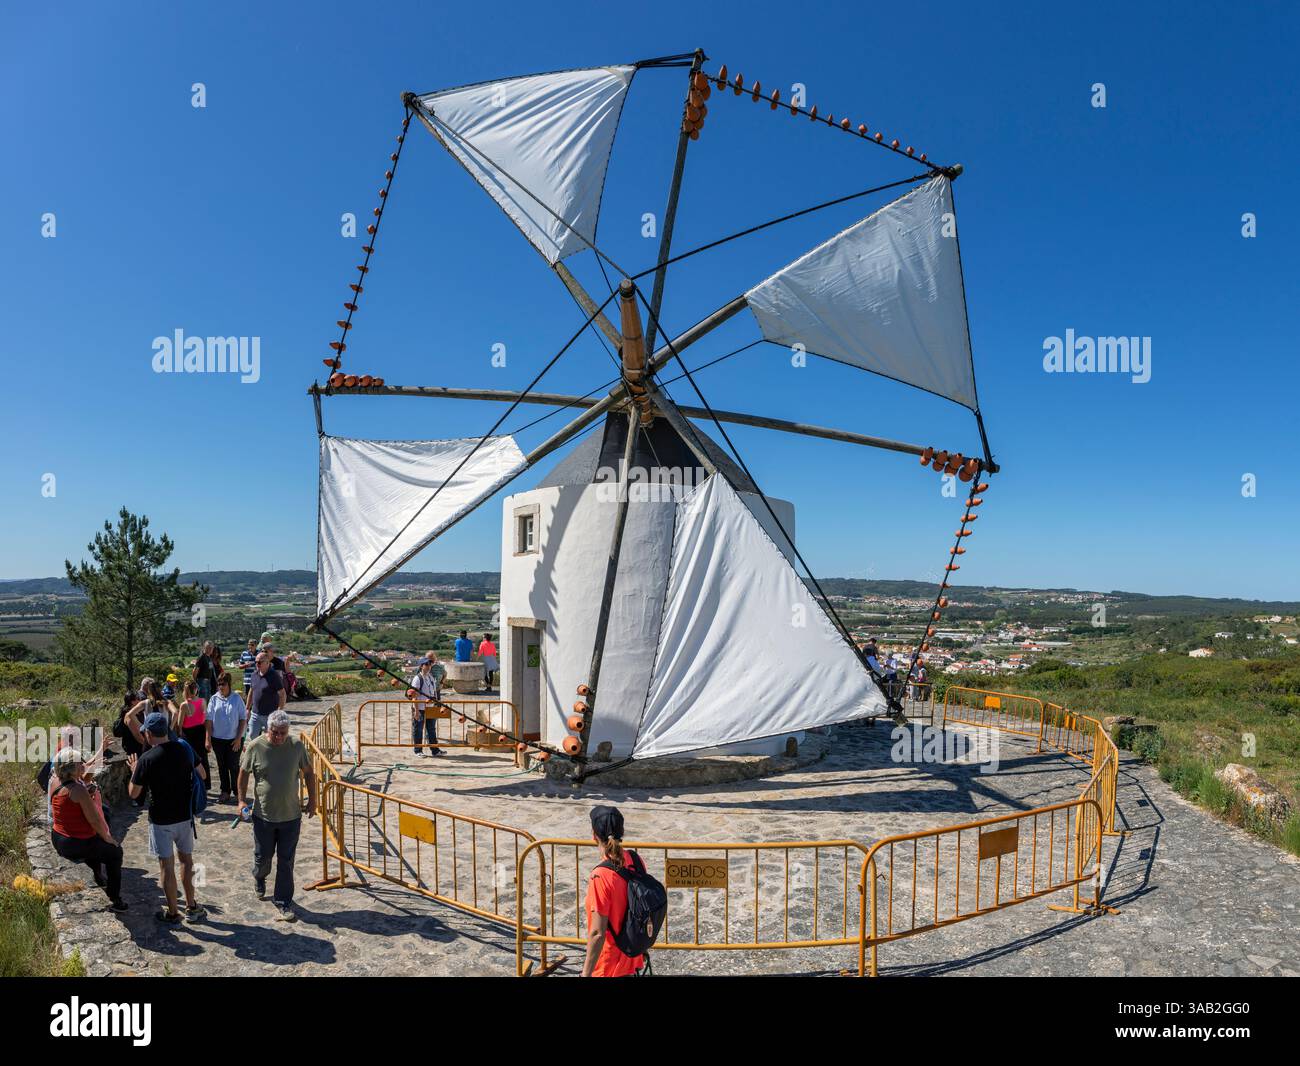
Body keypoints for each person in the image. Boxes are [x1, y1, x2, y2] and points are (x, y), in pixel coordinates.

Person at [237, 709, 317, 921]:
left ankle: (283, 901)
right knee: (263, 857)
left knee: (286, 860)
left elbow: (309, 772)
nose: (279, 737)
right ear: (267, 729)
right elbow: (243, 773)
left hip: (291, 816)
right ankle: (260, 876)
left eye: (283, 732)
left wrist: (313, 800)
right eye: (275, 732)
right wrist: (242, 800)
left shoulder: (296, 746)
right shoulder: (255, 747)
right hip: (263, 816)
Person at [127, 711, 206, 924]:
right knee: (186, 861)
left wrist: (135, 771)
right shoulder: (184, 749)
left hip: (161, 820)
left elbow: (133, 793)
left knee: (166, 866)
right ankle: (192, 905)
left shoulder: (146, 759)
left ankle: (172, 912)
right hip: (184, 816)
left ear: (149, 734)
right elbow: (203, 774)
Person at [49, 749, 127, 912]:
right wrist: (108, 838)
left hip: (58, 836)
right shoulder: (78, 790)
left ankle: (98, 875)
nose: (83, 765)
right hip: (73, 843)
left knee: (95, 844)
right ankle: (115, 899)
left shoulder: (57, 781)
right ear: (72, 768)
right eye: (80, 764)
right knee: (114, 853)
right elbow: (94, 820)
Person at [581, 805, 646, 978]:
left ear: (594, 835)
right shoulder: (635, 860)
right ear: (622, 832)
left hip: (609, 965)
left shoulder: (600, 876)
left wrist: (585, 974)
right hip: (631, 956)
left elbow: (597, 933)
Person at [206, 672, 247, 803]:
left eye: (223, 684)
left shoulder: (236, 699)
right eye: (219, 684)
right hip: (218, 739)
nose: (220, 687)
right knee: (222, 766)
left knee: (234, 766)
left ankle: (237, 791)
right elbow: (209, 720)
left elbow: (242, 719)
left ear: (229, 684)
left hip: (234, 739)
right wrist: (208, 738)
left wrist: (238, 738)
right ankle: (225, 791)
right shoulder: (213, 699)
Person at [176, 680, 211, 788]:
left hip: (188, 734)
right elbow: (205, 718)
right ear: (196, 690)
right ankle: (206, 784)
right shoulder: (203, 701)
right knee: (203, 759)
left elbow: (179, 723)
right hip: (200, 731)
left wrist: (179, 733)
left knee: (190, 760)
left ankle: (191, 783)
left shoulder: (184, 705)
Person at [408, 659, 443, 758]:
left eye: (430, 664)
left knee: (431, 729)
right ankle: (418, 750)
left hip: (430, 707)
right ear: (421, 666)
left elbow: (433, 692)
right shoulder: (417, 678)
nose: (429, 666)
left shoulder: (430, 677)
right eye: (426, 664)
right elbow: (414, 695)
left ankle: (435, 750)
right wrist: (416, 710)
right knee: (418, 729)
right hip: (421, 708)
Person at [246, 651, 285, 740]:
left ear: (267, 663)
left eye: (259, 662)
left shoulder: (274, 676)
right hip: (255, 714)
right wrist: (247, 708)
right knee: (252, 736)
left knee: (270, 739)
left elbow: (282, 694)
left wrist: (279, 711)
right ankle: (258, 753)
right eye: (256, 662)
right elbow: (251, 692)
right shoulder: (254, 675)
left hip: (270, 715)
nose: (257, 664)